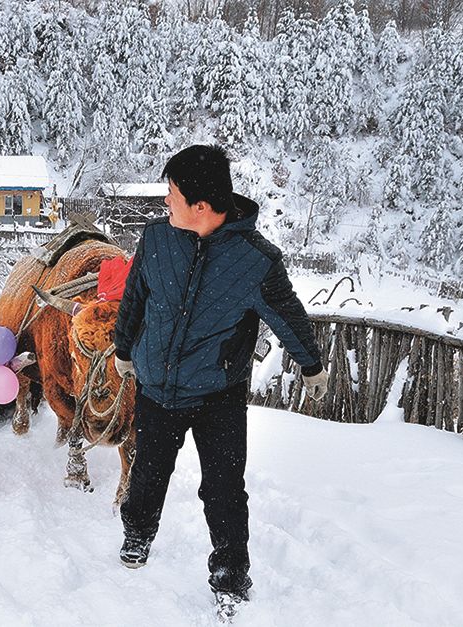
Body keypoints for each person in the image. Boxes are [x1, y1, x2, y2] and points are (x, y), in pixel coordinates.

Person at [112, 145, 329, 606]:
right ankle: (138, 532)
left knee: (225, 488)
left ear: (202, 207)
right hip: (157, 388)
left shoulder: (256, 259)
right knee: (149, 472)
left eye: (171, 193)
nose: (165, 201)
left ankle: (230, 573)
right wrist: (123, 348)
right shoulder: (156, 239)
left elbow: (287, 314)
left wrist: (310, 364)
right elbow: (135, 299)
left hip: (218, 394)